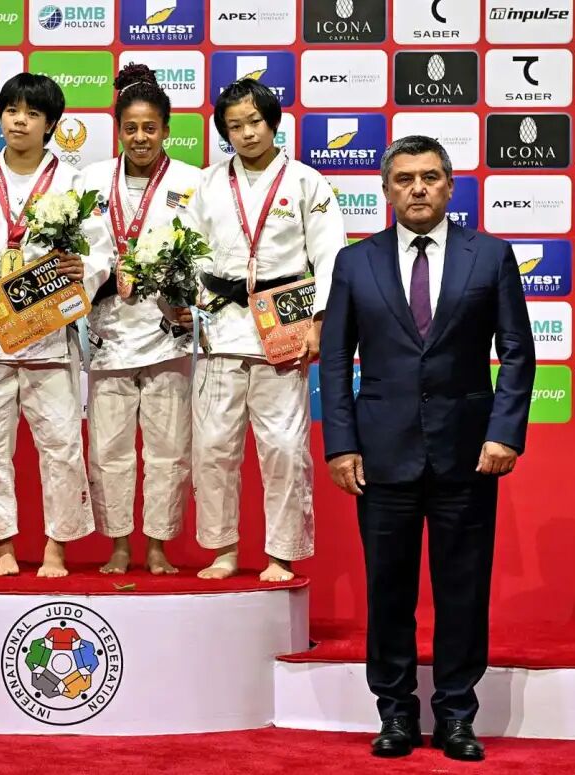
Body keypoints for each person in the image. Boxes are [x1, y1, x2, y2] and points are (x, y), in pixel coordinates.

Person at [319, 135, 535, 762]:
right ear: (386, 190)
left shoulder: (490, 255)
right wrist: (340, 444)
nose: (418, 188)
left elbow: (517, 352)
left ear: (449, 186)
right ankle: (395, 713)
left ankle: (457, 717)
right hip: (380, 456)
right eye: (405, 178)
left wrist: (504, 432)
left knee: (462, 592)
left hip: (467, 455)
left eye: (431, 177)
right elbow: (335, 360)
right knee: (388, 592)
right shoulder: (354, 263)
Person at [177, 79, 347, 581]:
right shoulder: (208, 183)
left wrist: (320, 320)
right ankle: (223, 550)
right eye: (235, 126)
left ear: (273, 122)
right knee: (213, 447)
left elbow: (330, 255)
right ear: (224, 133)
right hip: (220, 325)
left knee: (284, 449)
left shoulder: (307, 182)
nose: (247, 133)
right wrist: (188, 305)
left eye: (254, 121)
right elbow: (188, 251)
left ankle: (281, 554)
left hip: (284, 324)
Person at [0, 73, 112, 577]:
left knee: (61, 444)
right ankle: (2, 547)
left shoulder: (73, 183)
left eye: (32, 113)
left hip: (48, 325)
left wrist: (83, 270)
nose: (19, 121)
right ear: (0, 116)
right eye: (11, 111)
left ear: (51, 125)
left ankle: (55, 547)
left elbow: (101, 251)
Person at [78, 63, 200, 575]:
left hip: (167, 332)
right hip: (108, 330)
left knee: (168, 448)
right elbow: (77, 252)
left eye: (150, 127)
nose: (140, 137)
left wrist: (187, 299)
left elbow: (206, 255)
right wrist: (99, 277)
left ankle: (157, 547)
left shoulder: (193, 183)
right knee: (109, 449)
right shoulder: (90, 181)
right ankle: (119, 546)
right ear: (118, 130)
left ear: (167, 129)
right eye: (130, 128)